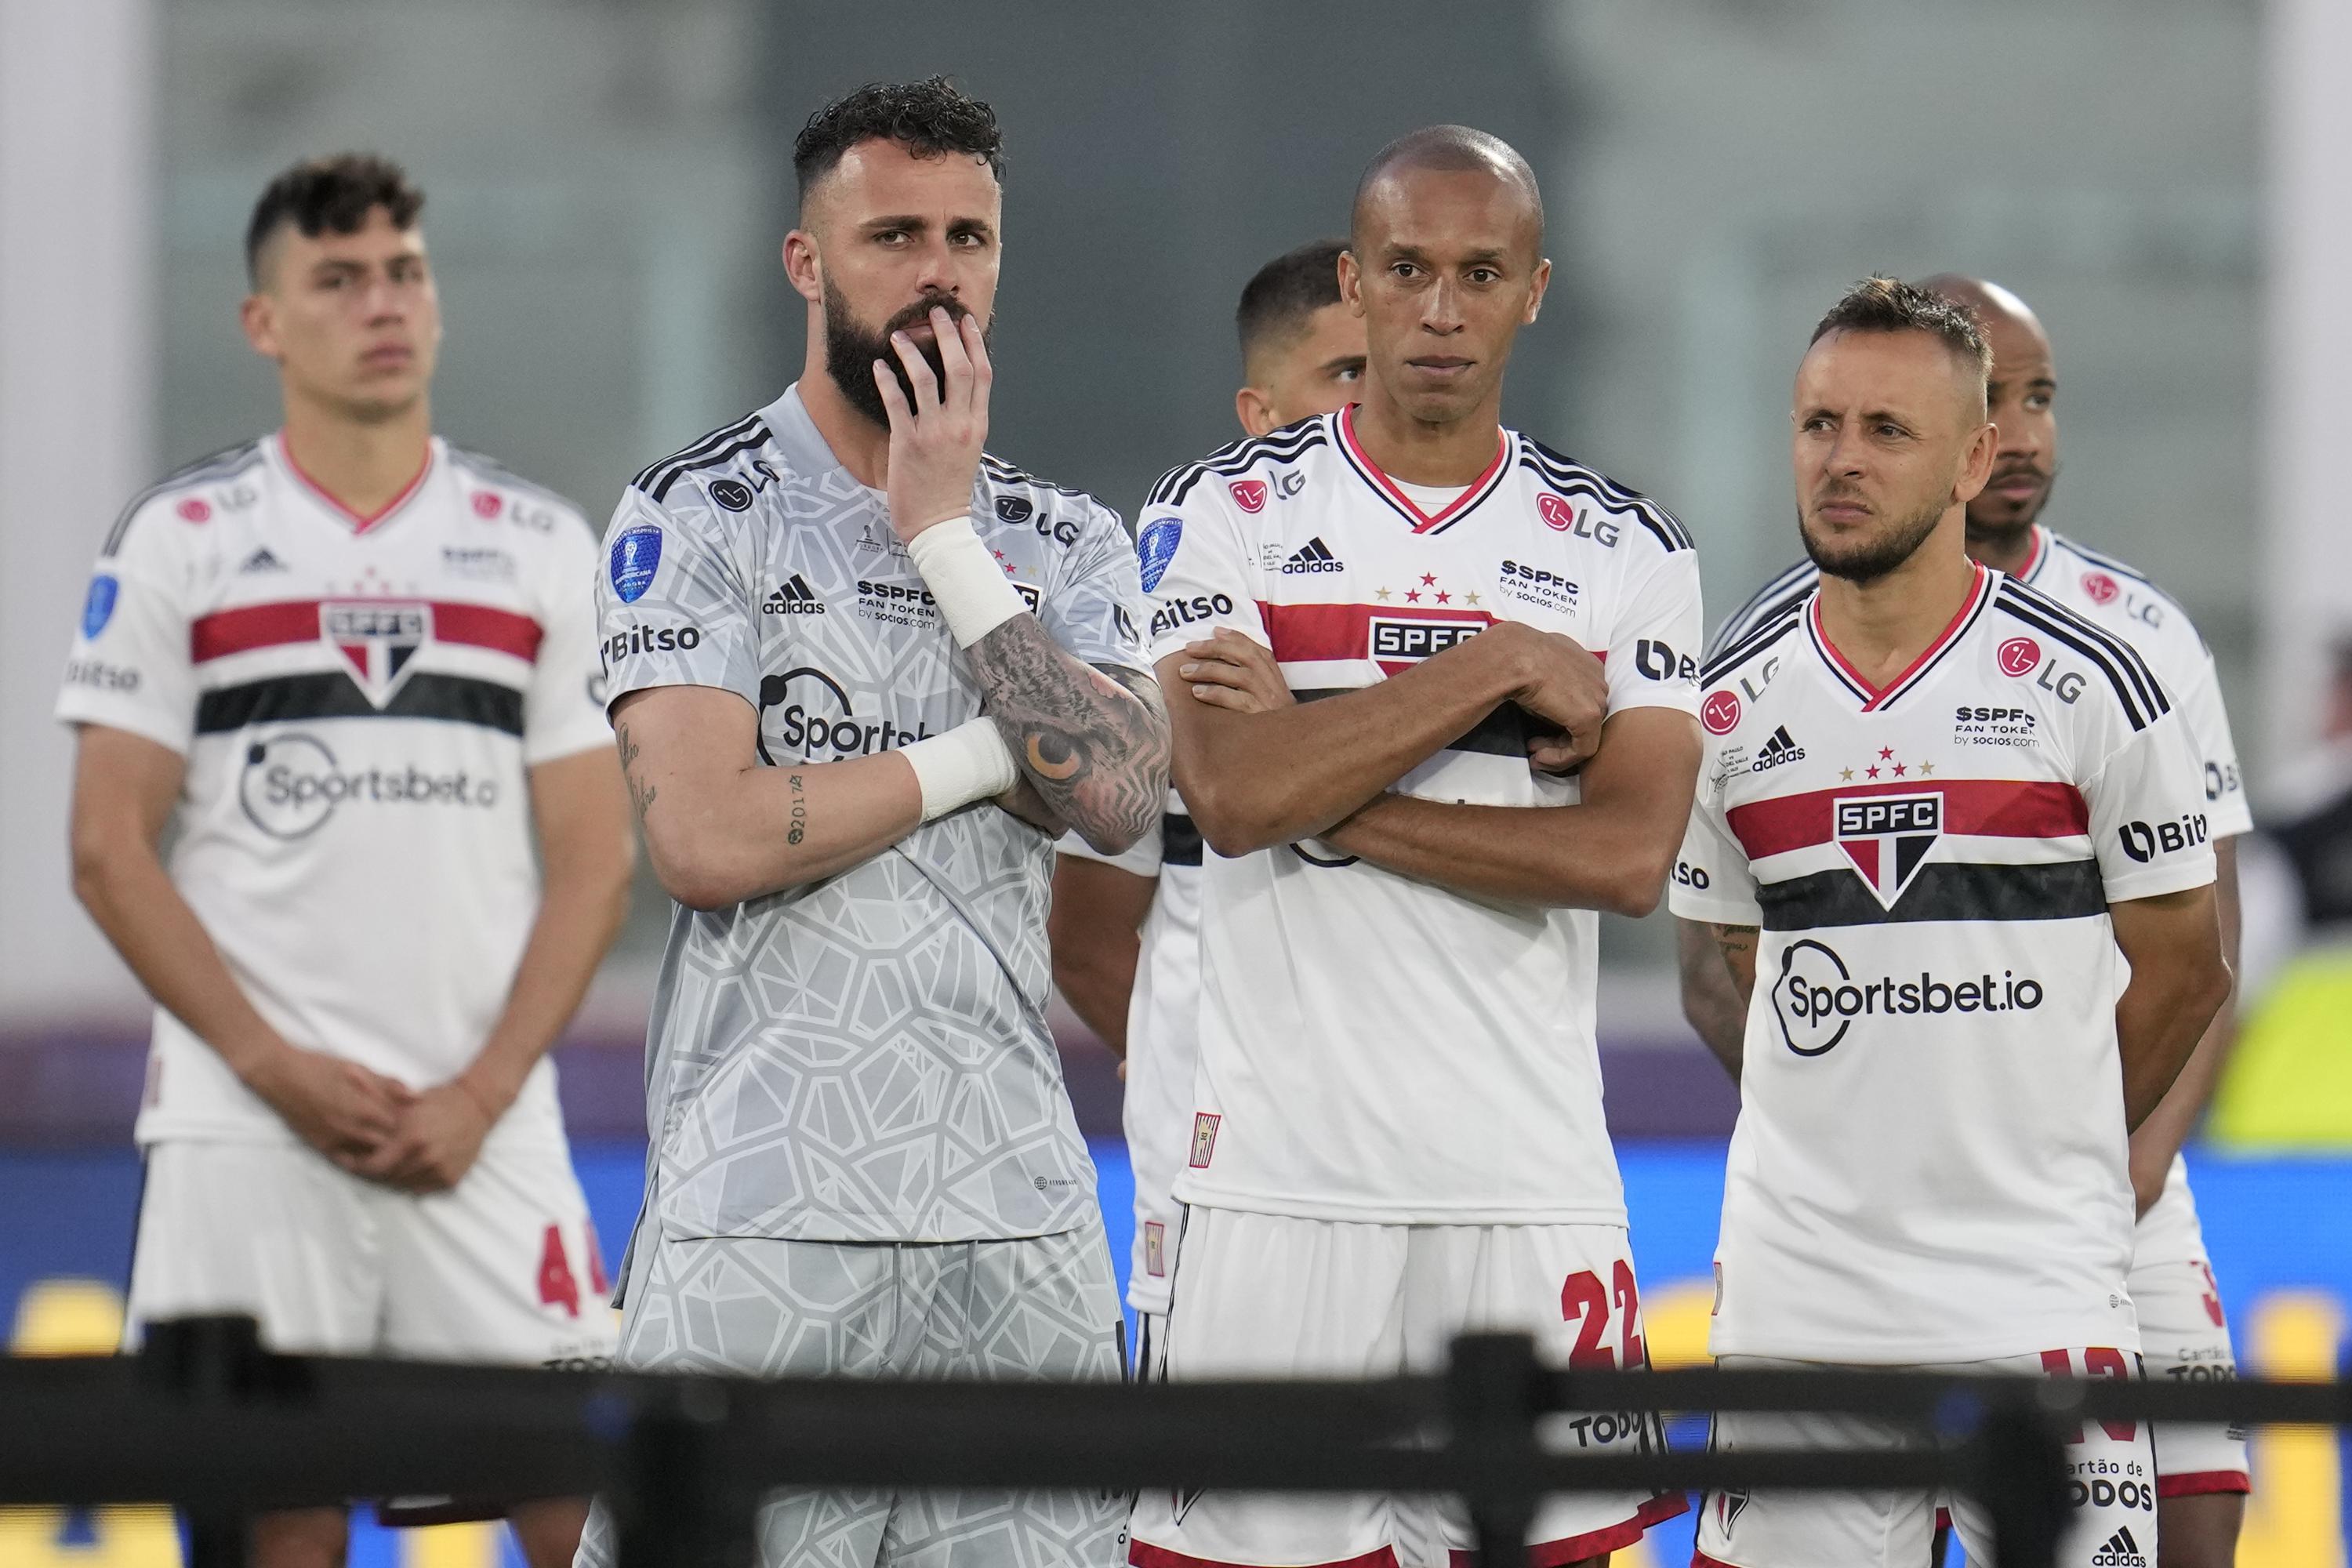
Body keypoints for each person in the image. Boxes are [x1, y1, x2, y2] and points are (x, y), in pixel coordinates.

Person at [575, 78, 1170, 1568]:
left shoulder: (1059, 535)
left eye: (967, 236)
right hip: (759, 1212)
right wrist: (991, 749)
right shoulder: (693, 514)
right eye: (892, 233)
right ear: (806, 261)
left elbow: (1112, 791)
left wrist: (943, 535)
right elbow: (705, 839)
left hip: (1013, 1219)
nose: (936, 271)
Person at [1125, 125, 1700, 1568]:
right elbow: (1234, 799)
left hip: (1526, 1183)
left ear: (1536, 291)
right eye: (1408, 271)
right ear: (1355, 280)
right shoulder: (1220, 517)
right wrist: (1497, 663)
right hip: (1273, 1185)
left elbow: (1627, 862)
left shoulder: (1628, 550)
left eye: (1479, 274)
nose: (1442, 310)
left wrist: (1324, 787)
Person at [56, 154, 631, 1568]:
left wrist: (485, 1090)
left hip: (481, 1131)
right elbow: (106, 847)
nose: (383, 302)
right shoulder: (181, 540)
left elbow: (597, 856)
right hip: (246, 1132)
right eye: (338, 278)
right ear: (263, 322)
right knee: (276, 1532)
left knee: (592, 1518)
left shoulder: (539, 545)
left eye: (405, 271)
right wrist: (272, 1068)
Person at [1681, 275, 2257, 1564]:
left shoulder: (2102, 677)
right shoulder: (1726, 701)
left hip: (2039, 1284)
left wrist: (2040, 1139)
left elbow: (2186, 965)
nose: (1842, 459)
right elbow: (1730, 959)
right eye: (1821, 423)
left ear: (1969, 456)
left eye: (1888, 431)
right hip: (1798, 1302)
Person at [1047, 238, 1365, 1363]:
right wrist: (1192, 1057)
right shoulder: (1157, 629)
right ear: (1258, 411)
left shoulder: (1457, 606)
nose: (1371, 410)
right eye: (1342, 376)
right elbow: (1086, 939)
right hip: (1223, 1177)